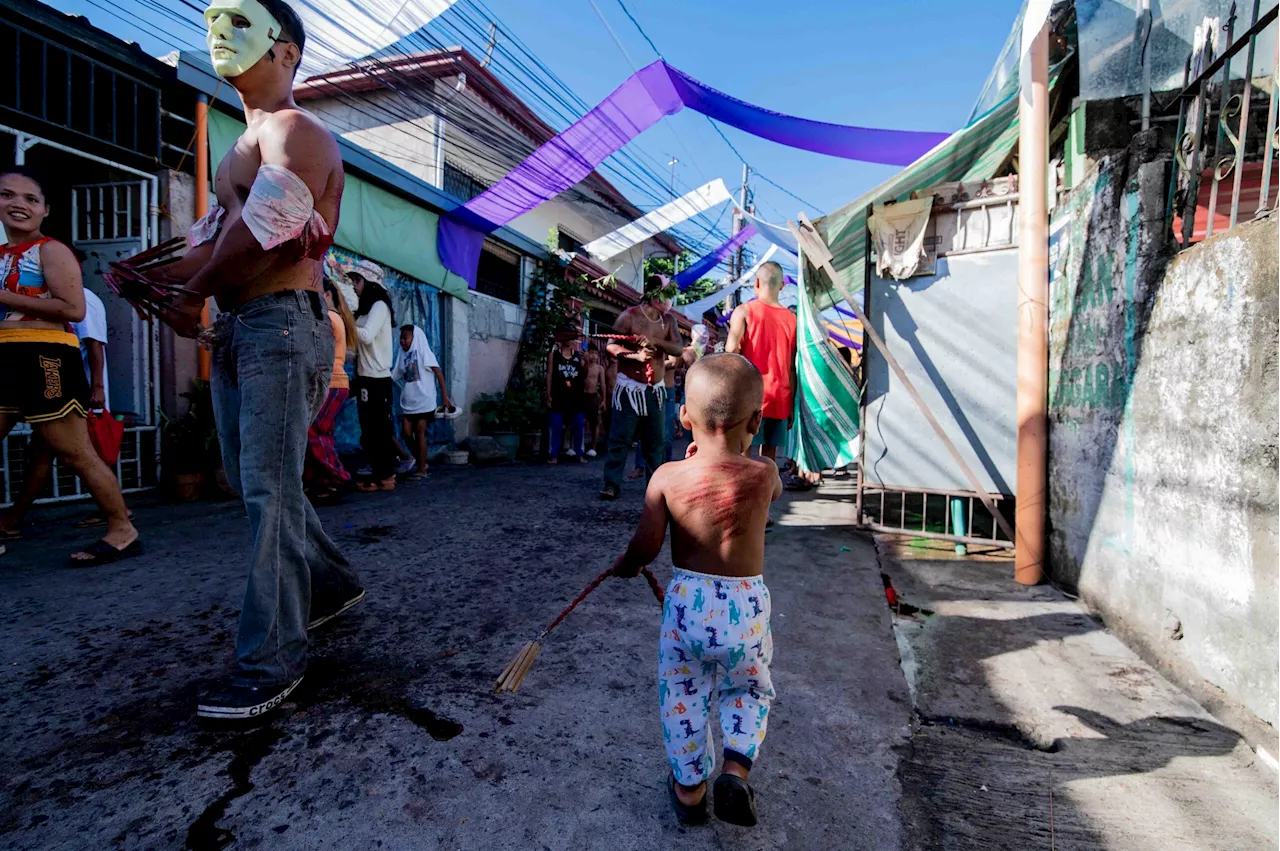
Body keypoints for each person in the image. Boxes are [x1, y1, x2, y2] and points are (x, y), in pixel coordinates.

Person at [140, 0, 363, 720]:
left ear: (287, 53)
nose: (218, 36)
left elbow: (263, 236)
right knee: (252, 481)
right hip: (241, 328)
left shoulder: (296, 130)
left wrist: (193, 292)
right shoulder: (243, 145)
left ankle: (271, 659)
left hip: (280, 324)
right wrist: (151, 280)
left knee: (265, 490)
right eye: (213, 21)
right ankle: (329, 584)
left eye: (239, 23)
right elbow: (212, 245)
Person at [610, 353, 782, 827]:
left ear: (683, 417)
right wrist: (748, 450)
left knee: (682, 693)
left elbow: (643, 547)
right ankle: (735, 770)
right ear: (756, 419)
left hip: (688, 604)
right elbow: (767, 487)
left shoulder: (667, 477)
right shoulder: (765, 474)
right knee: (748, 688)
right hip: (745, 605)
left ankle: (689, 791)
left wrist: (626, 567)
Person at [0, 167, 140, 564]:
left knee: (75, 452)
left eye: (30, 199)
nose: (18, 204)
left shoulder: (51, 250)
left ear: (45, 209)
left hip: (45, 356)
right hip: (6, 355)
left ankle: (122, 529)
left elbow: (72, 308)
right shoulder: (2, 254)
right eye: (7, 195)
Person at [599, 275, 684, 500]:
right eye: (668, 295)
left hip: (655, 390)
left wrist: (656, 343)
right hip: (629, 390)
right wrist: (635, 355)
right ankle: (611, 484)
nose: (670, 301)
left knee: (656, 442)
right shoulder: (630, 316)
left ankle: (654, 488)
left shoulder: (669, 321)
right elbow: (611, 346)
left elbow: (677, 348)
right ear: (657, 296)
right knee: (620, 439)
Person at [726, 261, 797, 466]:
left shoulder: (744, 311)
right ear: (782, 285)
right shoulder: (792, 319)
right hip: (780, 397)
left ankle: (746, 497)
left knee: (743, 455)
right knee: (769, 460)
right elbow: (792, 365)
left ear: (756, 282)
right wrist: (791, 403)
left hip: (750, 394)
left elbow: (731, 352)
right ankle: (767, 498)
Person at [349, 260, 404, 491]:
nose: (354, 285)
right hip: (364, 376)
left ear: (369, 282)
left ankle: (386, 474)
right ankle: (377, 473)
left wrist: (345, 322)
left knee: (379, 429)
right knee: (369, 429)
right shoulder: (366, 310)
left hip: (377, 379)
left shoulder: (379, 306)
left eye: (357, 280)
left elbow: (367, 335)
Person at [304, 278, 355, 503]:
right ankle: (324, 483)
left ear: (326, 295)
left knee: (313, 431)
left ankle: (339, 476)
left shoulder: (329, 318)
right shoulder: (334, 317)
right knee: (321, 432)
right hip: (334, 383)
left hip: (331, 382)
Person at [393, 323, 450, 478]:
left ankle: (422, 469)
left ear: (415, 338)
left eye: (405, 338)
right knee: (406, 433)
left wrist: (445, 397)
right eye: (400, 338)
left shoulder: (424, 353)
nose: (402, 341)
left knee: (419, 431)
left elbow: (438, 373)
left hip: (425, 400)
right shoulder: (402, 355)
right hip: (409, 401)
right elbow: (394, 375)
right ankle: (420, 460)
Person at [545, 328, 586, 464]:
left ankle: (579, 454)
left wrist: (584, 362)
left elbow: (584, 375)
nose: (569, 340)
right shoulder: (554, 355)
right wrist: (548, 394)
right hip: (558, 396)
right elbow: (549, 374)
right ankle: (554, 455)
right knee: (555, 426)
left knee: (579, 426)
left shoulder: (579, 356)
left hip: (575, 398)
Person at [582, 344, 605, 458]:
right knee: (579, 420)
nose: (594, 356)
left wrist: (604, 399)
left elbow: (603, 384)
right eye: (592, 353)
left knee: (595, 422)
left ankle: (593, 447)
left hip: (593, 396)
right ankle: (573, 446)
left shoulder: (599, 368)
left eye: (596, 354)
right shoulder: (582, 364)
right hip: (582, 395)